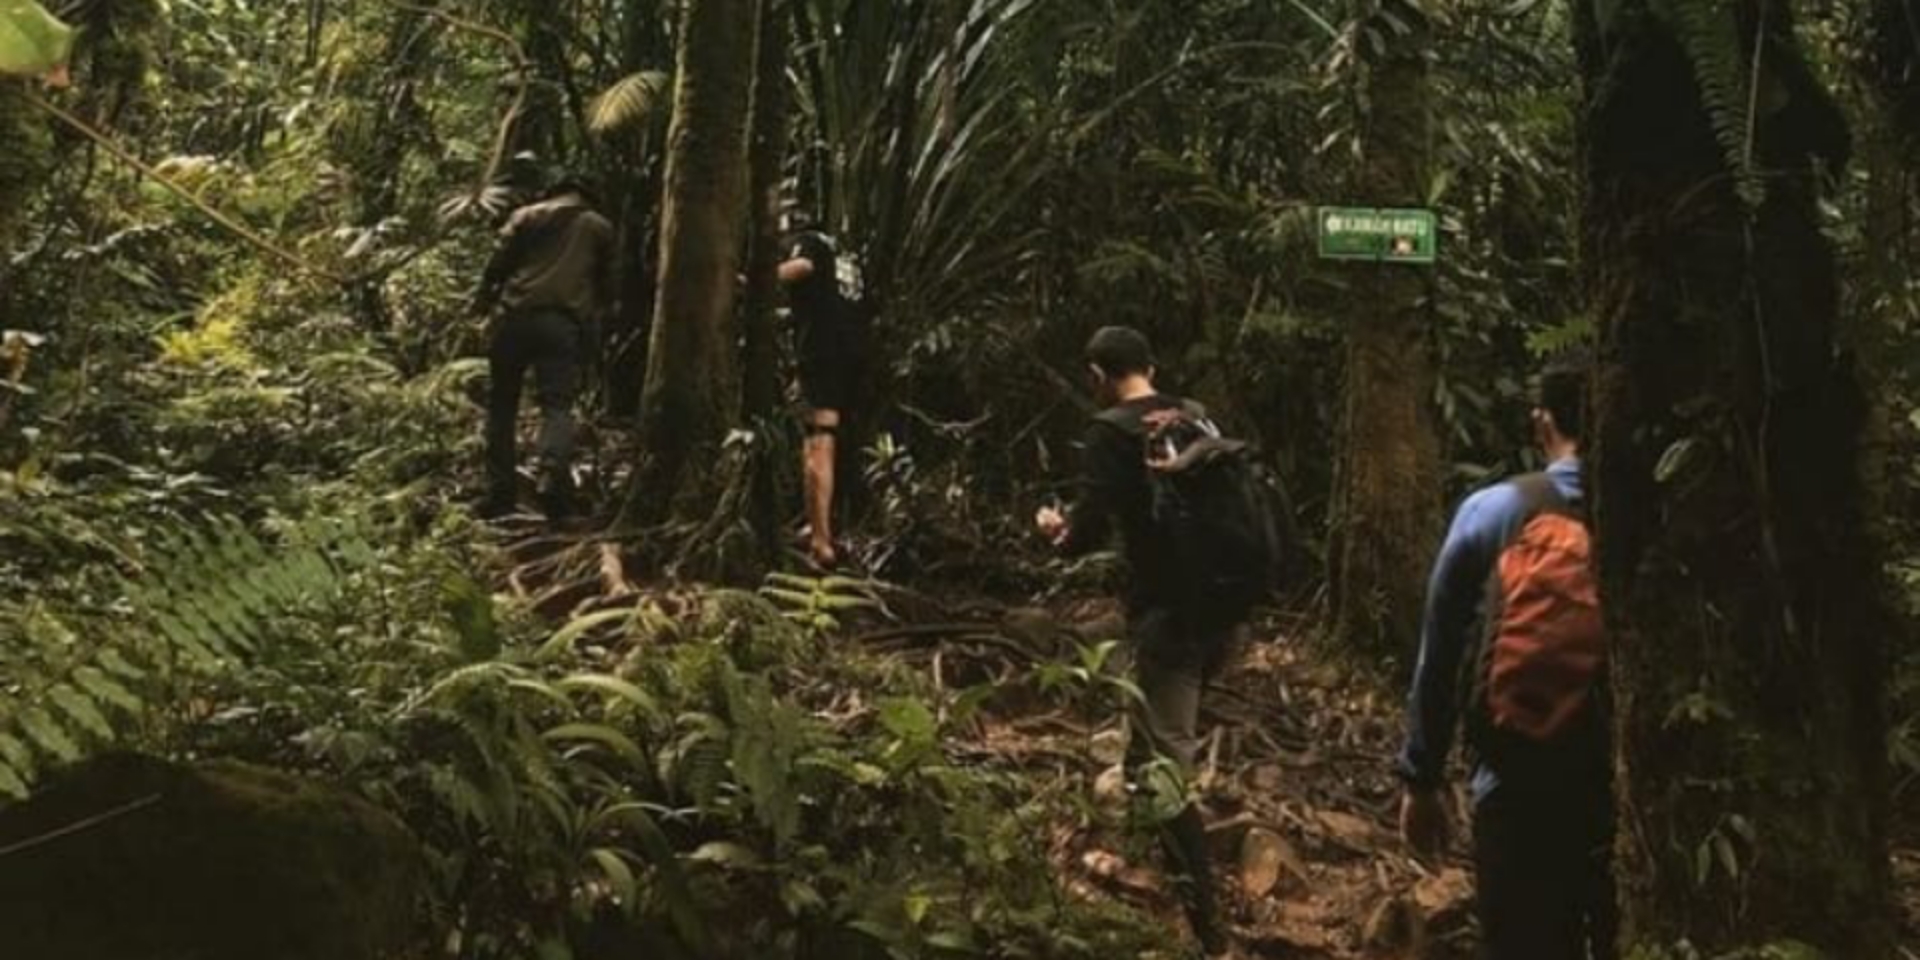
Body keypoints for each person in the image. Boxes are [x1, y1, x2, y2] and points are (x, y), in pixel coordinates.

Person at [1395, 360, 1615, 960]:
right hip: (1619, 784)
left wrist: (1422, 776)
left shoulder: (1493, 510)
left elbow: (1438, 653)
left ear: (1543, 422)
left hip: (1514, 778)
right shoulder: (1653, 517)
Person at [1035, 326, 1240, 960]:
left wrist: (1055, 529)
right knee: (1146, 745)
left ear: (1098, 376)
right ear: (1151, 366)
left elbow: (1086, 531)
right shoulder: (1196, 417)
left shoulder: (1110, 433)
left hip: (1168, 618)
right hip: (1225, 613)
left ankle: (1207, 930)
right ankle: (1137, 875)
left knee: (1164, 772)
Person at [472, 176, 616, 522]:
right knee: (556, 406)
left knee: (502, 406)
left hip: (513, 318)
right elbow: (605, 286)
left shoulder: (525, 216)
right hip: (561, 324)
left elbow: (497, 267)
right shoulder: (598, 226)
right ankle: (552, 481)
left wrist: (481, 305)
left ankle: (498, 493)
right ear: (586, 196)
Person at [777, 216, 863, 567]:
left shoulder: (809, 242)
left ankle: (821, 541)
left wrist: (753, 282)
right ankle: (822, 524)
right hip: (852, 350)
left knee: (818, 438)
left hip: (823, 352)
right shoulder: (846, 257)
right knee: (834, 435)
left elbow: (800, 267)